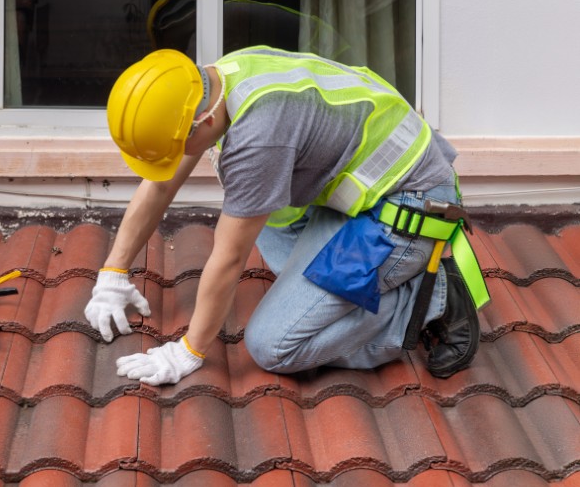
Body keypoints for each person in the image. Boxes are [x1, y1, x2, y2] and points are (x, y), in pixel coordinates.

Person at [84, 46, 489, 386]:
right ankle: (359, 285)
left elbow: (228, 259)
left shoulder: (259, 137)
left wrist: (188, 351)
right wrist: (113, 274)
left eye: (178, 148)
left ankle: (427, 300)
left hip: (409, 208)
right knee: (266, 217)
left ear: (201, 122)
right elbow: (160, 185)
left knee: (273, 345)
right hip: (368, 193)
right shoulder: (221, 78)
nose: (178, 161)